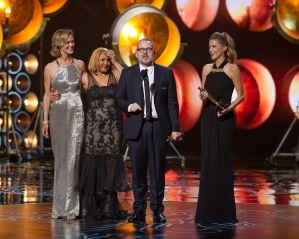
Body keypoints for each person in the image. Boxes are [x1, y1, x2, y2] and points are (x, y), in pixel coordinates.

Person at [115, 37, 182, 224]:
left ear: (154, 53)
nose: (145, 52)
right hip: (137, 127)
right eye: (141, 49)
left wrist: (175, 127)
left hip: (158, 128)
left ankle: (158, 210)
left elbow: (172, 103)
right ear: (136, 53)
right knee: (138, 172)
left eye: (148, 49)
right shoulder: (128, 74)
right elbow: (118, 99)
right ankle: (138, 210)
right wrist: (129, 107)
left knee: (158, 171)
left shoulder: (166, 73)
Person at [195, 32, 245, 224]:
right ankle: (207, 212)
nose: (211, 50)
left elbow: (241, 95)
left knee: (222, 161)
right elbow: (204, 93)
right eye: (209, 47)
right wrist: (203, 96)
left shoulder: (232, 69)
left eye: (214, 46)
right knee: (208, 161)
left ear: (224, 48)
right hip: (208, 116)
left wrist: (228, 109)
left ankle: (224, 213)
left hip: (224, 118)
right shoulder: (206, 69)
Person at [75, 47, 131, 220]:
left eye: (107, 60)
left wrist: (115, 61)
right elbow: (72, 96)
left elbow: (127, 77)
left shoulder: (115, 75)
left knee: (111, 165)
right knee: (91, 165)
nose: (105, 63)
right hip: (93, 130)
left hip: (113, 128)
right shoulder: (85, 78)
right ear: (95, 60)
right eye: (102, 60)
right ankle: (89, 207)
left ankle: (108, 206)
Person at [42, 29, 85, 220]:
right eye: (68, 42)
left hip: (76, 115)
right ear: (59, 44)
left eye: (73, 42)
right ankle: (58, 208)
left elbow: (87, 89)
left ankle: (73, 208)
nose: (71, 45)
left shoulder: (80, 65)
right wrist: (45, 120)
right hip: (58, 114)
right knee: (60, 160)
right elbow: (46, 95)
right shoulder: (50, 68)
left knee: (73, 160)